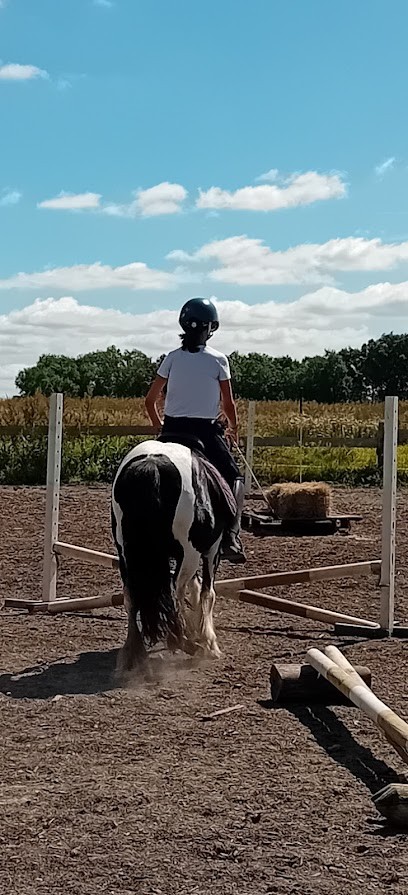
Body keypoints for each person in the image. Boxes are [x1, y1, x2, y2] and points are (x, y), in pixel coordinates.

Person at [144, 297, 246, 564]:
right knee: (235, 477)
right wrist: (233, 428)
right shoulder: (218, 360)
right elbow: (228, 403)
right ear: (210, 328)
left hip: (172, 430)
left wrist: (159, 425)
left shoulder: (172, 358)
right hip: (204, 432)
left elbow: (150, 400)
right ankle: (231, 537)